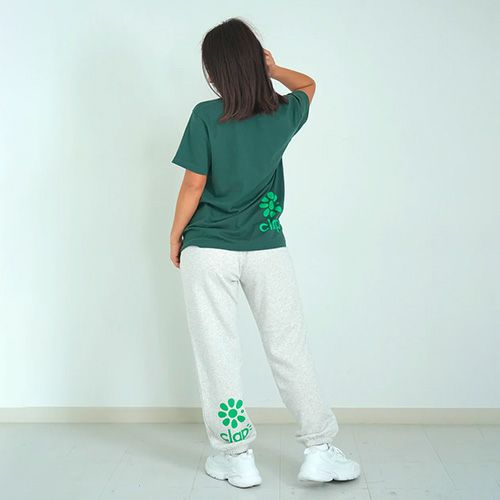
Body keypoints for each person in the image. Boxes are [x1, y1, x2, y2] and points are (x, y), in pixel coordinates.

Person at [169, 17, 361, 489]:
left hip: (207, 250)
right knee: (289, 348)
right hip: (265, 248)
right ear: (254, 61)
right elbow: (309, 84)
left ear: (214, 71)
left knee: (217, 352)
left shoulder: (205, 116)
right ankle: (319, 449)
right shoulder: (281, 113)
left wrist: (174, 235)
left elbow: (193, 184)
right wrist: (273, 70)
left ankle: (237, 457)